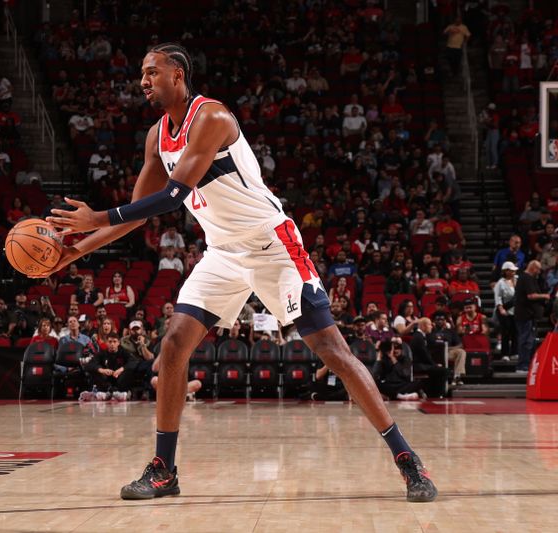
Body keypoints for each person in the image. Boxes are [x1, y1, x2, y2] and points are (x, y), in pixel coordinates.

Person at [41, 43, 436, 502]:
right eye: (141, 74)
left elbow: (172, 197)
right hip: (223, 252)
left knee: (334, 353)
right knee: (172, 345)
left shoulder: (212, 118)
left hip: (272, 245)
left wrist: (97, 217)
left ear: (178, 74)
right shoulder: (156, 137)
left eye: (152, 72)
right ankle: (163, 469)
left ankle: (408, 459)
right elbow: (135, 214)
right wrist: (74, 254)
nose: (143, 81)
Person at [514, 261, 550, 373]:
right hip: (525, 315)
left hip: (530, 316)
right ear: (533, 268)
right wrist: (545, 296)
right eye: (538, 270)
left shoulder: (528, 278)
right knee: (525, 341)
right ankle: (522, 365)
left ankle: (527, 364)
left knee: (530, 341)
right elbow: (531, 295)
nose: (539, 272)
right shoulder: (526, 278)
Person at [409, 318, 449, 398]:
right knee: (443, 371)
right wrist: (435, 365)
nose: (432, 326)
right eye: (430, 324)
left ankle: (432, 393)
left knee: (438, 370)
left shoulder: (421, 336)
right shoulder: (418, 337)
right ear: (423, 326)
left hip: (422, 364)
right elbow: (424, 355)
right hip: (418, 365)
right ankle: (438, 394)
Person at [429, 311, 466, 385]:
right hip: (434, 354)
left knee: (461, 352)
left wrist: (447, 348)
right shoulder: (430, 331)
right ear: (434, 321)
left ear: (445, 321)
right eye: (437, 319)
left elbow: (460, 345)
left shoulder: (451, 332)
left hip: (447, 353)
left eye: (442, 319)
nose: (440, 321)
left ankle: (457, 377)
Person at [493, 262, 518, 358]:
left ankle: (515, 352)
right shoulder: (500, 283)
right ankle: (505, 354)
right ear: (506, 271)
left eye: (514, 271)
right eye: (511, 271)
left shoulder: (516, 280)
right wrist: (501, 308)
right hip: (504, 310)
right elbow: (498, 297)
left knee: (515, 332)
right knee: (506, 332)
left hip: (515, 310)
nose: (513, 272)